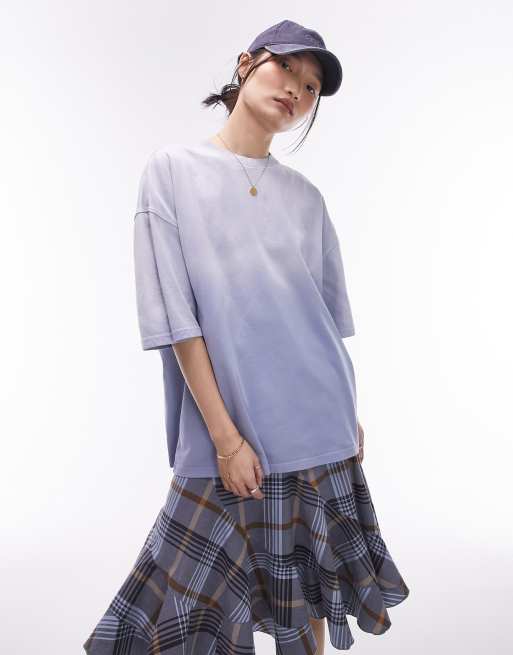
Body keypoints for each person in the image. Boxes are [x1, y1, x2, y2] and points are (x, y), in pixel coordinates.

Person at [83, 19, 410, 655]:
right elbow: (178, 322)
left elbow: (322, 325)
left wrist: (347, 417)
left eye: (310, 87)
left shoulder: (307, 200)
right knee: (182, 619)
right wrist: (226, 438)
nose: (296, 90)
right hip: (225, 437)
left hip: (320, 426)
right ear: (245, 63)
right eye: (286, 68)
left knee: (304, 598)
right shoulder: (172, 171)